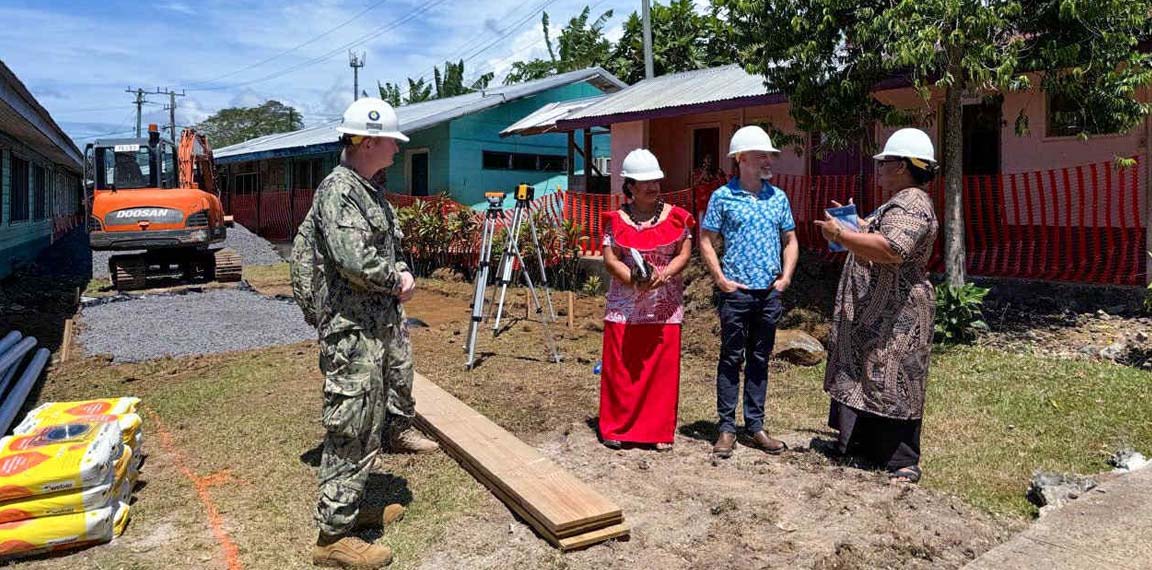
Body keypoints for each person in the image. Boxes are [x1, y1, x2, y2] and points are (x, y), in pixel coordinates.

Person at [302, 97, 430, 569]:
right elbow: (353, 259)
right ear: (369, 140)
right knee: (351, 425)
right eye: (392, 143)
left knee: (369, 421)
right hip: (352, 332)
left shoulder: (366, 189)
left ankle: (352, 509)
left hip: (373, 328)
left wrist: (398, 266)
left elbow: (382, 246)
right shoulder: (339, 190)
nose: (396, 151)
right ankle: (332, 537)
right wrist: (396, 279)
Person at [814, 128, 940, 484]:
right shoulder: (900, 200)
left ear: (901, 166)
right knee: (866, 373)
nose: (879, 169)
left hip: (897, 312)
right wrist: (853, 223)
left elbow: (891, 249)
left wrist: (841, 236)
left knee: (895, 378)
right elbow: (877, 231)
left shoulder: (912, 202)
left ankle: (902, 459)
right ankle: (860, 445)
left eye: (884, 163)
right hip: (879, 310)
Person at [699, 126, 799, 459]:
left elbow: (791, 241)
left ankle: (755, 427)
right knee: (730, 358)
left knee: (759, 359)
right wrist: (721, 280)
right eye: (761, 155)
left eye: (769, 155)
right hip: (736, 293)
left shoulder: (778, 197)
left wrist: (785, 278)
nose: (768, 160)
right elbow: (705, 241)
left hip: (768, 293)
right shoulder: (722, 197)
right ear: (741, 159)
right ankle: (726, 428)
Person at [598, 149, 695, 452]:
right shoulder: (615, 221)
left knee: (660, 370)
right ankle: (615, 427)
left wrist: (664, 275)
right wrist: (633, 279)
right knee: (621, 367)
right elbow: (611, 260)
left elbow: (684, 253)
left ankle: (657, 430)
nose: (653, 187)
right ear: (630, 186)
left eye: (656, 181)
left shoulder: (678, 218)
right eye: (645, 182)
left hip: (664, 307)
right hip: (624, 307)